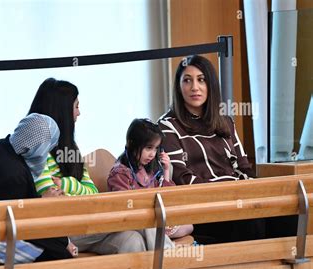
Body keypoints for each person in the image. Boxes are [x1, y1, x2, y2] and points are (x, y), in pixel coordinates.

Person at [157, 55, 290, 243]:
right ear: (179, 87)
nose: (195, 87)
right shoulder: (167, 126)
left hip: (237, 200)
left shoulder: (225, 122)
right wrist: (227, 196)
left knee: (288, 212)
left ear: (210, 85)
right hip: (203, 207)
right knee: (250, 221)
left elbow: (244, 168)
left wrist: (254, 193)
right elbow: (181, 177)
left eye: (201, 80)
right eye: (187, 80)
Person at [0, 113, 74, 262]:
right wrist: (44, 203)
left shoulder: (1, 147)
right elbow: (20, 221)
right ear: (40, 147)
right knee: (57, 254)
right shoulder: (12, 171)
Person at [107, 118, 193, 249]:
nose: (152, 154)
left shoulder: (151, 168)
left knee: (188, 225)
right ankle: (168, 248)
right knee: (149, 225)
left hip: (153, 218)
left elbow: (168, 198)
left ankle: (162, 239)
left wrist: (166, 170)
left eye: (156, 148)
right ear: (132, 144)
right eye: (148, 148)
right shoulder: (120, 172)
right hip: (135, 222)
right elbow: (123, 205)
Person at [31, 78, 98, 197]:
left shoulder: (70, 145)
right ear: (63, 111)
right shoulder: (37, 146)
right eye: (76, 107)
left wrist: (68, 184)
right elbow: (51, 199)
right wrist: (80, 192)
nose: (79, 113)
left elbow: (93, 192)